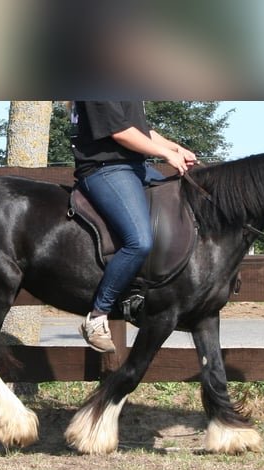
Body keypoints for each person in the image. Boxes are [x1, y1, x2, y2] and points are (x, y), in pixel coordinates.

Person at [70, 101, 197, 353]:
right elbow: (121, 133)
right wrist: (166, 154)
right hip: (105, 169)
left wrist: (175, 147)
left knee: (185, 208)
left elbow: (139, 130)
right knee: (139, 241)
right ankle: (97, 316)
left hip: (136, 168)